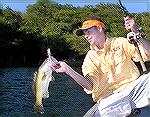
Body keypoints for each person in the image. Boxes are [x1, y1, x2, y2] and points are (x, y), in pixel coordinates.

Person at [52, 16, 150, 117]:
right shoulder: (89, 59)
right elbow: (90, 85)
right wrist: (67, 69)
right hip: (109, 101)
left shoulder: (120, 42)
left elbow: (148, 54)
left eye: (88, 31)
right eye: (84, 34)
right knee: (104, 110)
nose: (86, 36)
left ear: (99, 28)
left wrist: (137, 33)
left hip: (133, 91)